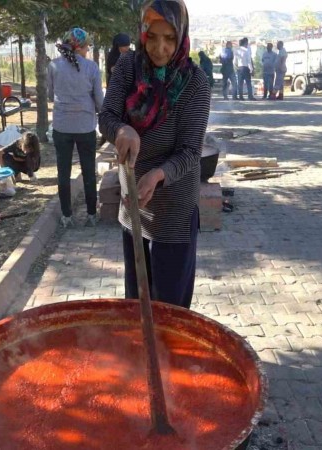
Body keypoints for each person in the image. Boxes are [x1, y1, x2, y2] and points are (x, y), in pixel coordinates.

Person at [99, 0, 210, 309]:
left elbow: (190, 152)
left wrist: (159, 174)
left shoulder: (195, 83)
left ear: (182, 36)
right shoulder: (127, 67)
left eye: (170, 38)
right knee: (137, 304)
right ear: (142, 33)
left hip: (173, 211)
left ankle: (168, 357)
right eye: (153, 36)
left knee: (169, 310)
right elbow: (106, 116)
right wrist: (121, 129)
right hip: (133, 204)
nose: (160, 48)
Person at [48, 27, 103, 228]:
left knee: (63, 172)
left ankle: (66, 216)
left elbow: (49, 94)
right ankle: (91, 214)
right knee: (89, 170)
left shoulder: (53, 66)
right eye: (87, 45)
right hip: (85, 127)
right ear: (80, 47)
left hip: (61, 127)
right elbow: (99, 100)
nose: (88, 49)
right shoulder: (91, 68)